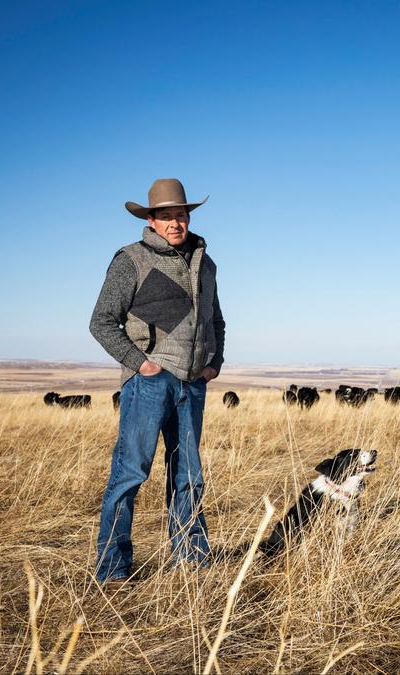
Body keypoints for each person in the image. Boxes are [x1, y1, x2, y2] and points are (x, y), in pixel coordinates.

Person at [90, 178, 226, 584]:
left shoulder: (205, 261)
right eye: (166, 216)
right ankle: (112, 568)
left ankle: (191, 559)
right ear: (151, 220)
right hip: (149, 382)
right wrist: (140, 363)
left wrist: (214, 362)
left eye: (180, 215)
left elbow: (215, 319)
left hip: (192, 382)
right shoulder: (131, 260)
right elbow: (101, 323)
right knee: (131, 472)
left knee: (189, 474)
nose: (175, 223)